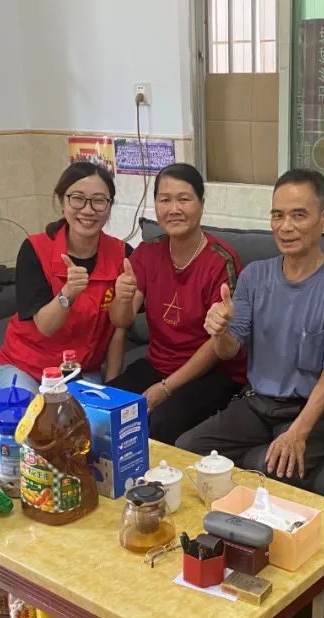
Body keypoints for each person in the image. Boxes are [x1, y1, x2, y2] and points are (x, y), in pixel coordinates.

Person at [176, 169, 324, 483]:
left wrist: (298, 433)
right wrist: (220, 331)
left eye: (298, 215)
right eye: (277, 215)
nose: (285, 226)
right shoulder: (255, 276)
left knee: (267, 471)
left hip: (312, 411)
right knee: (187, 451)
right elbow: (228, 350)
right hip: (257, 403)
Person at [107, 163, 246, 444]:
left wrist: (166, 388)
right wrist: (122, 297)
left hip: (212, 374)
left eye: (184, 199)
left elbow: (217, 345)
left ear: (201, 204)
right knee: (105, 409)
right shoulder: (147, 252)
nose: (174, 209)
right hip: (157, 364)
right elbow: (122, 320)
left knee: (159, 424)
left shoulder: (221, 260)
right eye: (165, 200)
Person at [0, 162, 132, 393]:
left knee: (87, 416)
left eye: (98, 201)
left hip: (80, 371)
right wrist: (68, 293)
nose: (88, 210)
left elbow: (118, 328)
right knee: (31, 413)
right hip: (24, 366)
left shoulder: (122, 255)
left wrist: (113, 388)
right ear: (62, 202)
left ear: (109, 206)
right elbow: (46, 327)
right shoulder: (35, 249)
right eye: (77, 198)